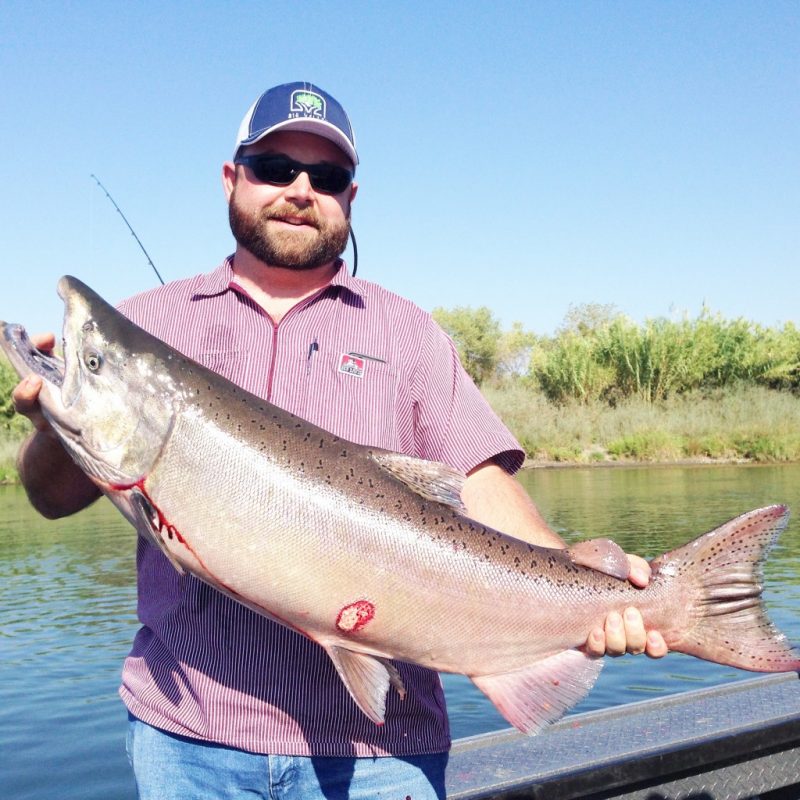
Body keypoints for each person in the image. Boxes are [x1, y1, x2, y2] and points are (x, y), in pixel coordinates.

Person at [13, 81, 667, 800]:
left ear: (350, 198)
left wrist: (579, 575)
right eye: (274, 168)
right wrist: (56, 419)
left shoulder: (407, 332)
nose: (299, 189)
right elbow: (49, 498)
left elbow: (479, 482)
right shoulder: (152, 323)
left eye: (325, 178)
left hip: (384, 753)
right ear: (231, 179)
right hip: (188, 740)